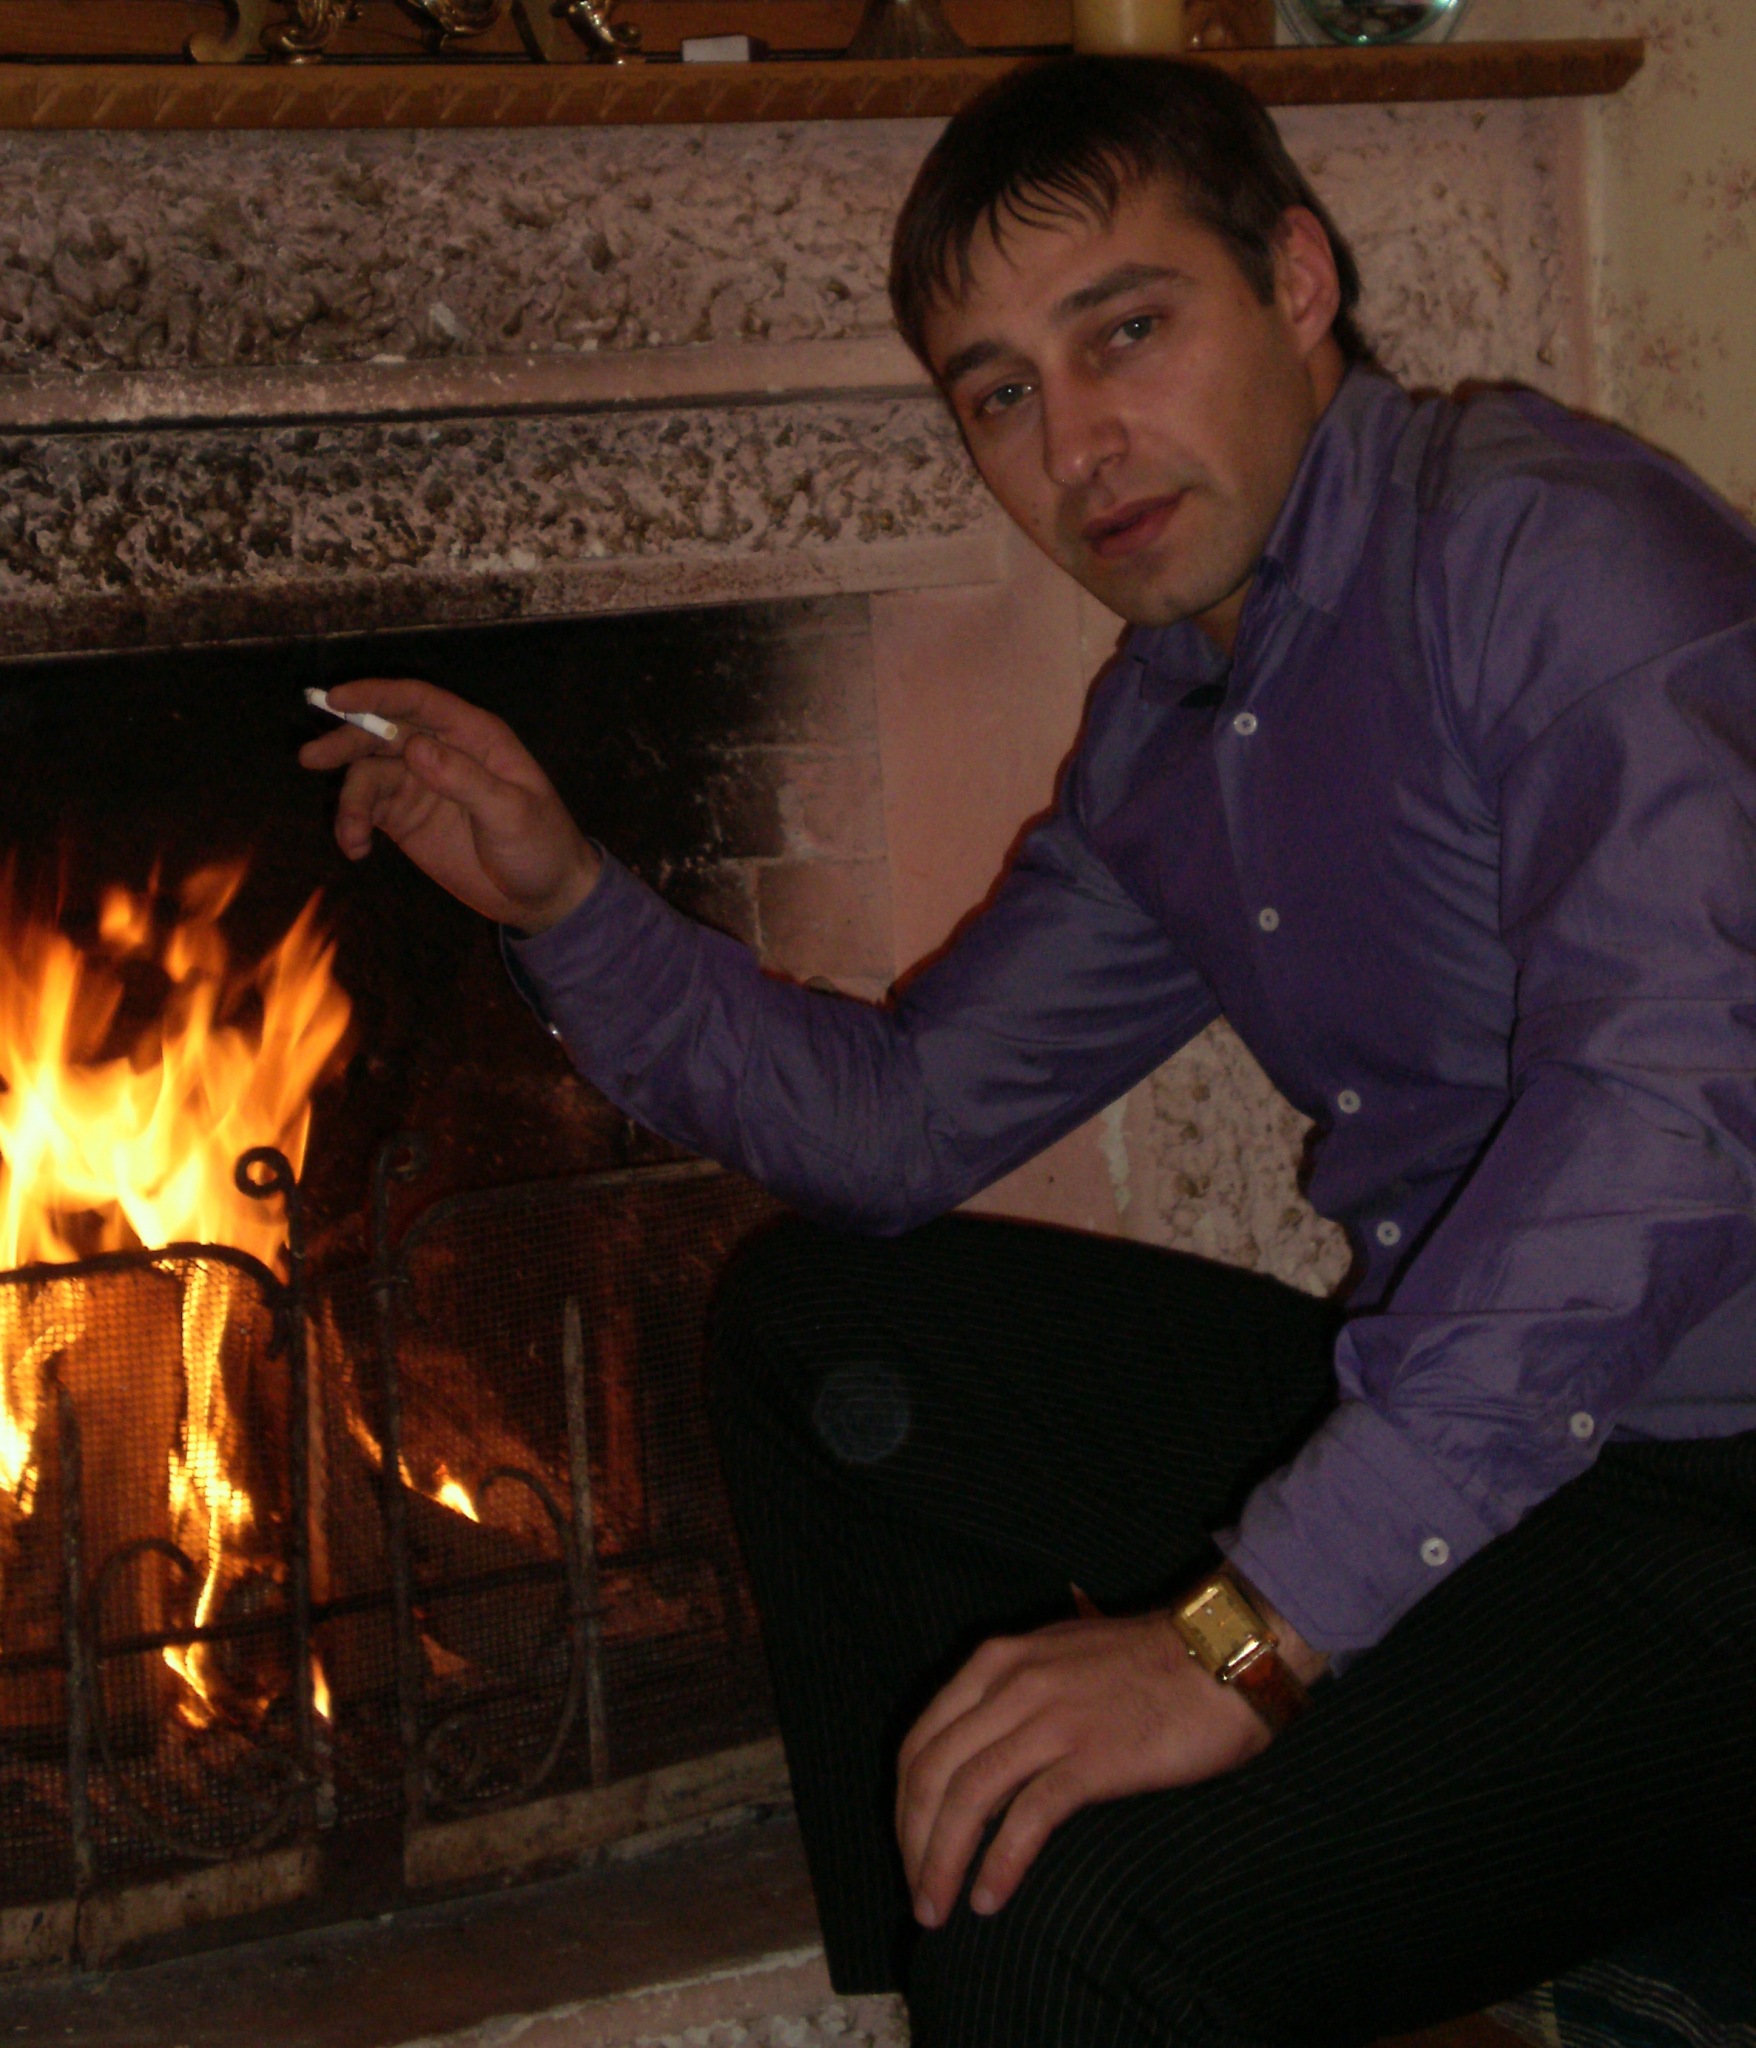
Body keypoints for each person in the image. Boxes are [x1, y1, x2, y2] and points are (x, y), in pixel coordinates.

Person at [300, 57, 1756, 2046]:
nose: (1074, 447)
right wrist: (565, 899)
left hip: (1710, 1507)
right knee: (818, 1333)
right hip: (1504, 1462)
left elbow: (1670, 1116)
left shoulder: (1552, 555)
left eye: (1124, 332)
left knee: (1066, 1928)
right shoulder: (1175, 728)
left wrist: (1242, 1640)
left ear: (1297, 282)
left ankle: (1050, 1965)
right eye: (997, 394)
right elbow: (899, 1125)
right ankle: (954, 1977)